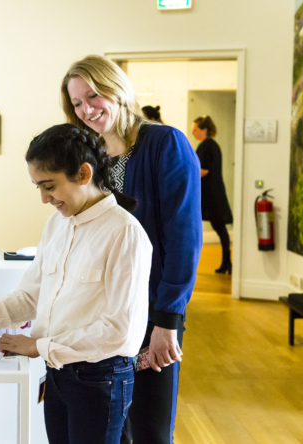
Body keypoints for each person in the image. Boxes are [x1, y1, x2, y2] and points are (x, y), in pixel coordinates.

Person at [0, 124, 153, 444]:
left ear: (83, 172)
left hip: (99, 381)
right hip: (58, 375)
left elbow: (121, 331)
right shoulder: (57, 225)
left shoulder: (125, 234)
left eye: (49, 186)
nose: (43, 198)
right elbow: (29, 297)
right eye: (37, 186)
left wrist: (36, 346)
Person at [61, 55, 202, 444]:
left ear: (116, 88)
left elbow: (183, 239)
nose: (87, 109)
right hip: (101, 316)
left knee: (150, 431)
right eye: (77, 103)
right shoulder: (89, 158)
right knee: (112, 427)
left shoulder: (164, 144)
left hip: (150, 313)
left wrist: (167, 322)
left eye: (93, 95)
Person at [192, 116, 233, 274]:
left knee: (219, 227)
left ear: (204, 130)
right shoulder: (211, 145)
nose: (193, 133)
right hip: (213, 192)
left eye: (195, 130)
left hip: (211, 195)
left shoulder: (207, 146)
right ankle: (226, 262)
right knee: (220, 227)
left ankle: (226, 262)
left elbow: (203, 170)